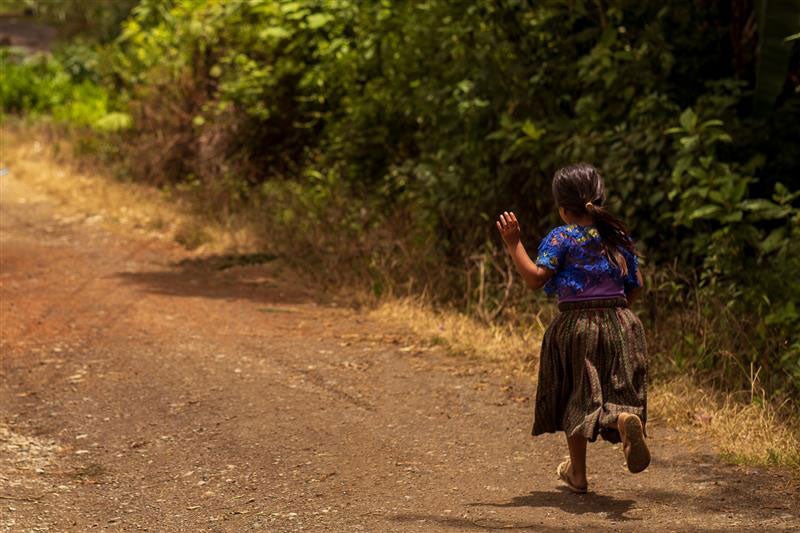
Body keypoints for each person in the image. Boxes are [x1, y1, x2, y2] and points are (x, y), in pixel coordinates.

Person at [496, 162, 650, 494]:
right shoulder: (617, 236)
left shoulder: (561, 237)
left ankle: (578, 473)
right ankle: (623, 419)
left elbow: (536, 279)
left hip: (576, 327)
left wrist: (513, 244)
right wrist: (616, 315)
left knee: (576, 396)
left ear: (564, 210)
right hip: (622, 323)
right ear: (599, 199)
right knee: (616, 390)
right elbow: (635, 284)